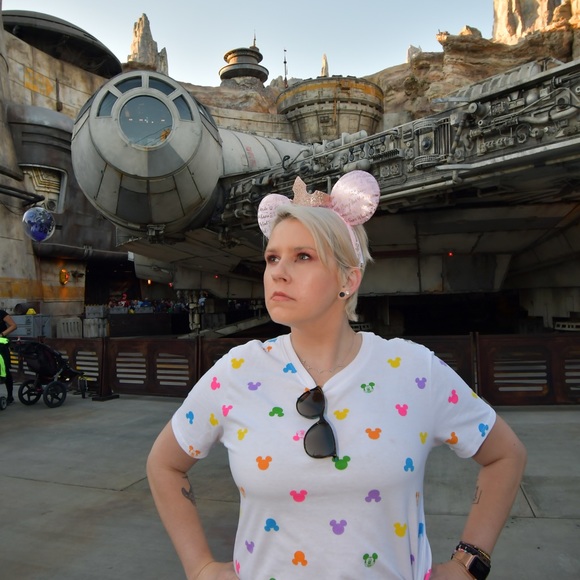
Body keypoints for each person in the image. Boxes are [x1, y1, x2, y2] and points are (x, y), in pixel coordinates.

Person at [147, 170, 527, 580]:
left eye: (303, 256)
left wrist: (468, 565)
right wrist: (201, 568)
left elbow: (505, 455)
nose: (278, 272)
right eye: (272, 258)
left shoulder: (415, 370)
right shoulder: (236, 373)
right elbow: (164, 464)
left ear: (348, 278)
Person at [0, 309, 18, 404]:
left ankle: (10, 396)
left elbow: (13, 325)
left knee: (5, 370)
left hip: (1, 346)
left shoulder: (1, 313)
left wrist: (2, 334)